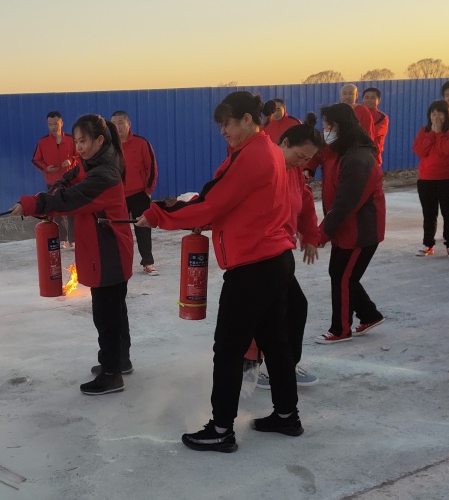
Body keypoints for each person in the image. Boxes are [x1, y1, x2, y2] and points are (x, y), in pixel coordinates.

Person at [137, 91, 301, 452]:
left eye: (227, 123)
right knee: (275, 343)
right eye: (220, 125)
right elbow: (228, 201)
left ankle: (221, 429)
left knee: (228, 348)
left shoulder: (254, 155)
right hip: (272, 259)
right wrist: (177, 209)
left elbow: (213, 204)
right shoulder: (265, 150)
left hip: (254, 266)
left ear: (247, 120)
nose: (223, 130)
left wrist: (158, 216)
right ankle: (287, 415)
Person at [11, 114, 134, 395]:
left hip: (109, 251)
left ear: (99, 141)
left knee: (107, 315)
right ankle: (120, 361)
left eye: (83, 141)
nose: (78, 147)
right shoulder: (94, 164)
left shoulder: (104, 174)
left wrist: (33, 204)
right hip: (109, 248)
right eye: (76, 141)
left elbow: (71, 199)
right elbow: (68, 181)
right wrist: (54, 190)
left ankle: (112, 373)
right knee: (115, 309)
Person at [245, 114, 325, 390]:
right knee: (263, 310)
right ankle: (251, 365)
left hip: (279, 252)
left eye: (307, 160)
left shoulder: (293, 171)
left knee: (294, 307)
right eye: (300, 156)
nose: (302, 163)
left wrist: (310, 236)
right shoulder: (263, 166)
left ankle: (284, 365)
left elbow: (305, 202)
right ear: (286, 143)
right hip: (256, 253)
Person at [314, 103, 386, 344]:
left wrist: (322, 233)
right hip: (345, 228)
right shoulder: (340, 149)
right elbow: (318, 154)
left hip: (359, 231)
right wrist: (307, 169)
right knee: (341, 274)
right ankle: (369, 314)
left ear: (341, 127)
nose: (325, 131)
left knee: (343, 277)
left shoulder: (357, 158)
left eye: (328, 126)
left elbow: (346, 203)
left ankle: (340, 329)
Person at [111, 111, 159, 276]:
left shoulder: (141, 143)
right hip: (117, 196)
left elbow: (151, 167)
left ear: (128, 124)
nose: (118, 127)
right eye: (114, 123)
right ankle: (119, 264)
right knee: (118, 230)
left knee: (143, 228)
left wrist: (148, 191)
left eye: (121, 122)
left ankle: (148, 262)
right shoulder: (109, 146)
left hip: (139, 194)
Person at [32, 111, 78, 248]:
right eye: (50, 124)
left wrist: (71, 161)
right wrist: (46, 168)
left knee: (72, 210)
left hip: (70, 180)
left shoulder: (70, 139)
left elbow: (80, 155)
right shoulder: (43, 142)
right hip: (52, 182)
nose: (53, 127)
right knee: (56, 211)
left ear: (61, 123)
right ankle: (62, 238)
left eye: (55, 124)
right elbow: (36, 160)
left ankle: (73, 239)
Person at [412, 100, 449, 256]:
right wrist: (432, 134)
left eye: (440, 113)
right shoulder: (424, 131)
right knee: (429, 214)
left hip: (446, 179)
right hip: (426, 179)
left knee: (448, 213)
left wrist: (439, 134)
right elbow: (419, 151)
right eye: (433, 113)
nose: (436, 117)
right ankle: (428, 244)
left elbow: (446, 150)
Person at [362, 87, 390, 166]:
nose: (369, 100)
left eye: (372, 98)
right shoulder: (356, 113)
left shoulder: (382, 117)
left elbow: (372, 133)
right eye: (366, 97)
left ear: (379, 100)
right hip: (356, 154)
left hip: (373, 156)